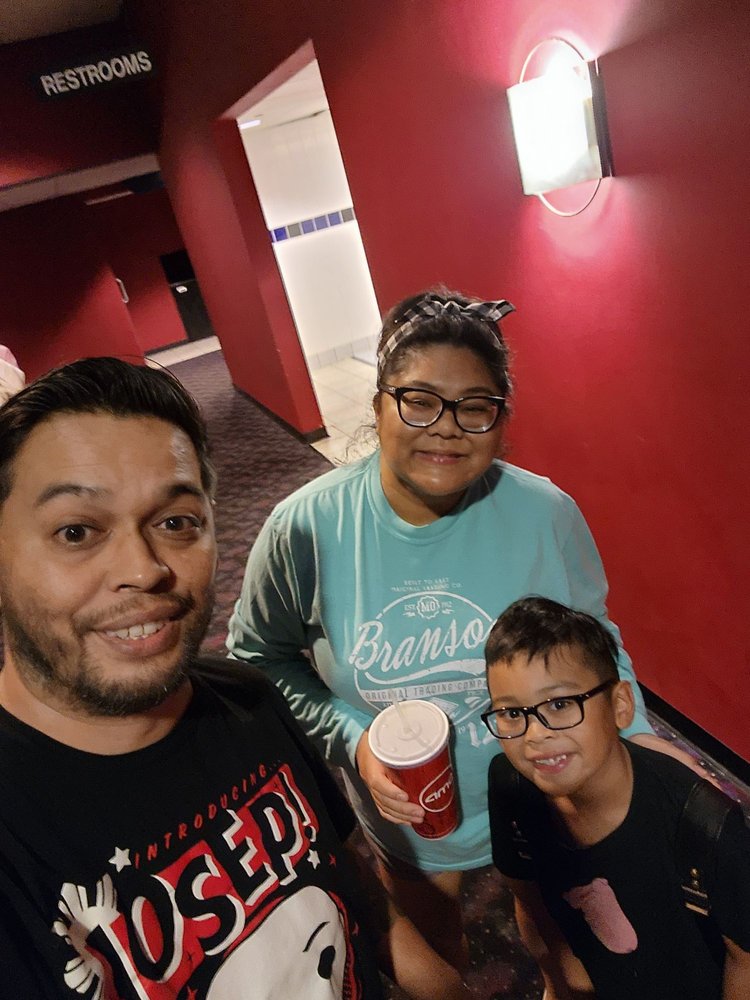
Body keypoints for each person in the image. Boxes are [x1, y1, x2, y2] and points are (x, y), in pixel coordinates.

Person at [227, 288, 704, 969]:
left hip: (545, 785)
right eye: (419, 400)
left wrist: (637, 743)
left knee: (565, 953)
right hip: (413, 817)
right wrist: (353, 740)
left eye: (475, 407)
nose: (446, 427)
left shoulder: (544, 512)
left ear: (500, 419)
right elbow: (258, 661)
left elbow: (595, 641)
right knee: (438, 957)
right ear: (379, 404)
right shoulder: (304, 528)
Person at [0, 357, 467, 1000]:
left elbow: (341, 876)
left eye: (176, 522)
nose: (144, 569)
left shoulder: (249, 699)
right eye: (76, 531)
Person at [484, 596, 750, 1000]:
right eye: (512, 713)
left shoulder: (704, 826)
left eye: (560, 704)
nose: (535, 734)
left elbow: (744, 958)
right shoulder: (511, 785)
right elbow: (530, 899)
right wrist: (561, 985)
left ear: (620, 705)